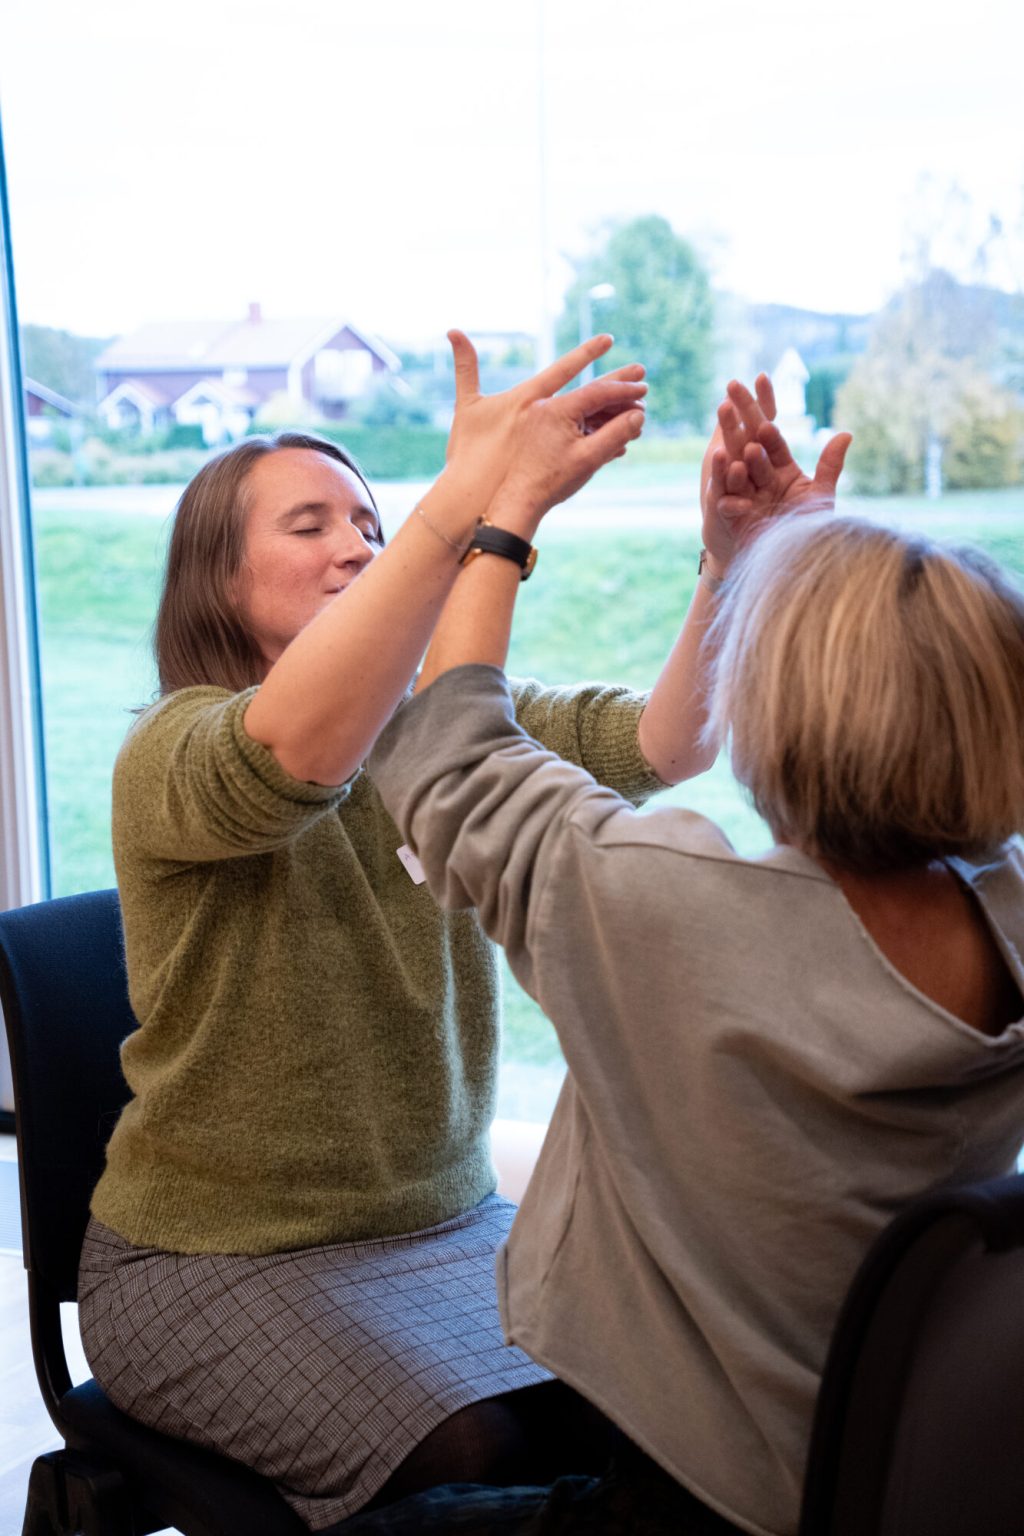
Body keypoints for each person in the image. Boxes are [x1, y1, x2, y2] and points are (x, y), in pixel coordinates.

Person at [75, 334, 809, 1530]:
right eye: (308, 525)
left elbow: (669, 744)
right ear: (217, 578)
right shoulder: (174, 750)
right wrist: (474, 507)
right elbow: (294, 758)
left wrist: (730, 566)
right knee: (473, 1448)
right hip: (207, 1264)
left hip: (444, 1226)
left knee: (658, 1420)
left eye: (365, 520)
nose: (354, 542)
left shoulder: (447, 730)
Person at [368, 391, 1024, 1534]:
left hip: (700, 1494)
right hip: (892, 1471)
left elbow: (448, 757)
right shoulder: (1007, 910)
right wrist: (782, 564)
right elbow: (920, 689)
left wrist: (502, 504)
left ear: (776, 704)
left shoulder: (673, 914)